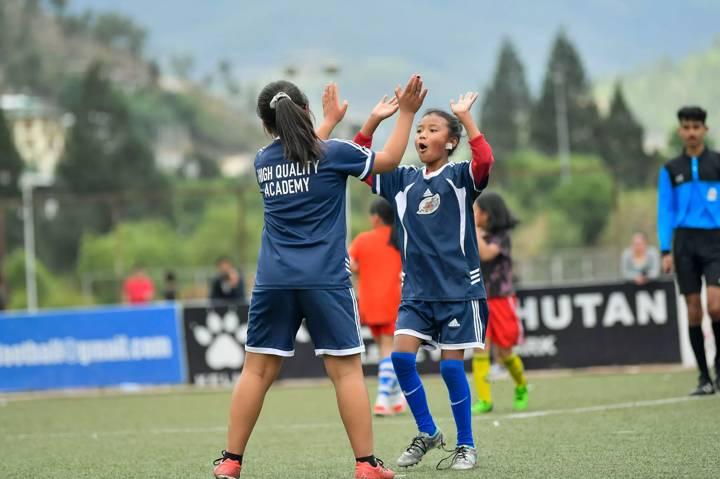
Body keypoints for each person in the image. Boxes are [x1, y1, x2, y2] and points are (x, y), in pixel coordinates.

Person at [211, 76, 427, 479]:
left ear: (266, 124)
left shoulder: (262, 161)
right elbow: (390, 161)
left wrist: (324, 122)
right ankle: (366, 466)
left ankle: (230, 461)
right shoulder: (335, 153)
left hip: (273, 280)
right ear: (306, 112)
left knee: (255, 371)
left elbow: (299, 156)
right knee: (345, 372)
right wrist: (408, 114)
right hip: (325, 280)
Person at [352, 91, 493, 470]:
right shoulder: (401, 181)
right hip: (416, 292)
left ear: (449, 141)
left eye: (432, 129)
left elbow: (485, 160)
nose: (421, 135)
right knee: (400, 358)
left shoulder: (461, 177)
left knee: (450, 368)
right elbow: (358, 162)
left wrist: (465, 118)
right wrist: (373, 123)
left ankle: (466, 445)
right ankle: (428, 432)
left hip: (458, 291)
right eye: (419, 129)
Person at [658, 106, 720, 396]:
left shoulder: (717, 163)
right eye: (687, 127)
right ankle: (704, 378)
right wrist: (665, 249)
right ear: (680, 131)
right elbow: (665, 210)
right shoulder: (670, 169)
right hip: (684, 244)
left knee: (716, 306)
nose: (692, 132)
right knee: (693, 312)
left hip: (715, 241)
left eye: (697, 126)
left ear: (705, 130)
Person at [470, 192, 528, 414]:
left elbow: (485, 255)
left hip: (501, 299)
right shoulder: (475, 233)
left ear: (487, 214)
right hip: (479, 298)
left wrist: (473, 228)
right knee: (479, 348)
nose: (473, 214)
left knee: (504, 351)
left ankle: (521, 385)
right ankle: (485, 400)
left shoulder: (501, 237)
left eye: (477, 211)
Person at [349, 196, 405, 416]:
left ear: (375, 218)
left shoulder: (363, 240)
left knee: (386, 347)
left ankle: (391, 397)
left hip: (370, 302)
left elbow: (350, 264)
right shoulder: (400, 237)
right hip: (396, 300)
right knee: (391, 349)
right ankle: (387, 398)